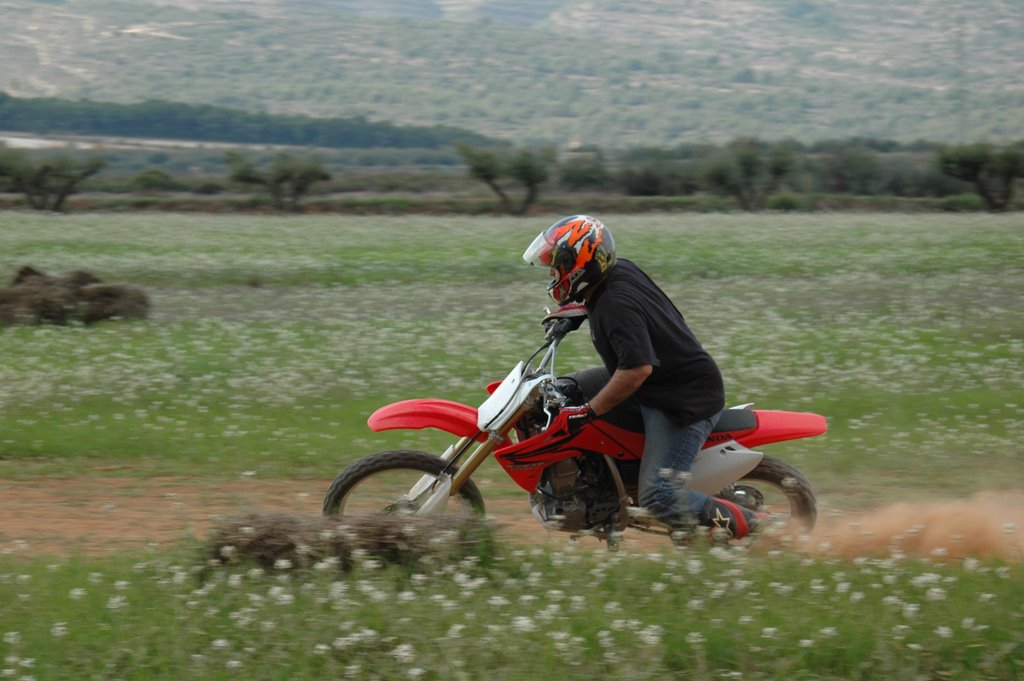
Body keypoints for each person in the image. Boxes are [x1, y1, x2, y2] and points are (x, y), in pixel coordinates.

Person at [523, 215, 759, 539]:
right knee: (567, 390)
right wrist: (574, 316)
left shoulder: (615, 305)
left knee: (659, 496)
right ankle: (597, 483)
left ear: (580, 266)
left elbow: (636, 369)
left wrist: (590, 411)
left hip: (679, 399)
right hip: (657, 383)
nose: (552, 273)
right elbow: (631, 313)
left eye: (557, 265)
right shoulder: (616, 274)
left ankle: (759, 528)